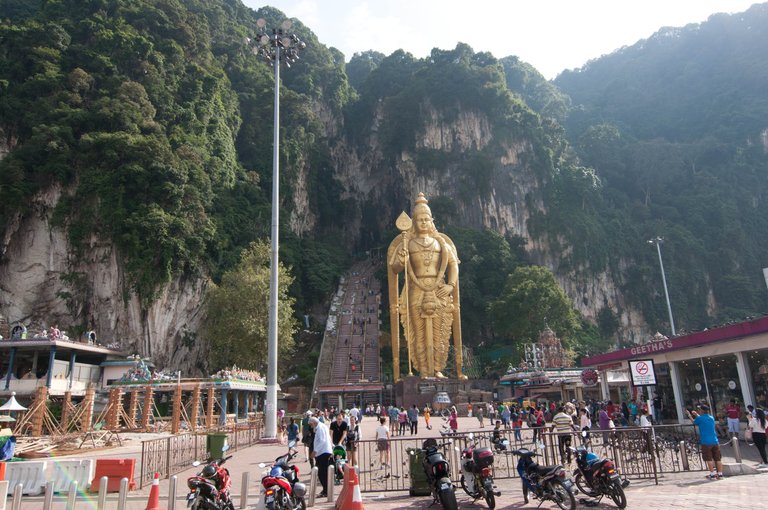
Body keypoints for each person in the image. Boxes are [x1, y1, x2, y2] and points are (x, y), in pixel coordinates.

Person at [387, 193, 462, 379]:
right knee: (417, 332)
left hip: (439, 289)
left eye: (426, 219)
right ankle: (422, 369)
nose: (422, 222)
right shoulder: (408, 243)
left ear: (431, 220)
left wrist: (451, 285)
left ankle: (437, 368)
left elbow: (453, 265)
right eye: (419, 219)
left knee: (440, 332)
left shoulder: (441, 243)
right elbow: (394, 268)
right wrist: (402, 260)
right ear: (413, 221)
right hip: (416, 289)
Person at [687, 404, 724, 480]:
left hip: (706, 442)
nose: (699, 411)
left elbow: (694, 422)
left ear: (702, 411)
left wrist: (689, 415)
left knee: (709, 459)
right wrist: (697, 414)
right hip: (715, 441)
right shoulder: (711, 418)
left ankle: (712, 474)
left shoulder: (700, 419)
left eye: (700, 410)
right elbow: (702, 419)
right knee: (718, 459)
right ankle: (720, 474)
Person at [309, 416, 334, 497]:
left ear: (314, 423)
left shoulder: (320, 428)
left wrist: (315, 451)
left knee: (321, 472)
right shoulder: (321, 427)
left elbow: (322, 440)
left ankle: (326, 490)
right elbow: (328, 438)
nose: (311, 426)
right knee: (321, 472)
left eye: (311, 425)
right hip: (323, 452)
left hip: (323, 452)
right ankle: (326, 489)